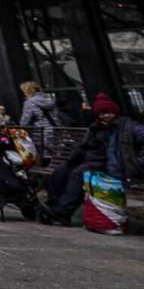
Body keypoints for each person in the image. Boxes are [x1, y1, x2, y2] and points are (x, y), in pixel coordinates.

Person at [41, 93, 143, 225]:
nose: (106, 116)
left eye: (109, 112)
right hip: (90, 160)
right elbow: (84, 147)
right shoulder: (95, 127)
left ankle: (63, 211)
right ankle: (54, 206)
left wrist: (137, 161)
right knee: (60, 171)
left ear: (115, 112)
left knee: (79, 174)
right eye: (102, 113)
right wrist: (72, 160)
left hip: (110, 164)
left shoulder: (127, 126)